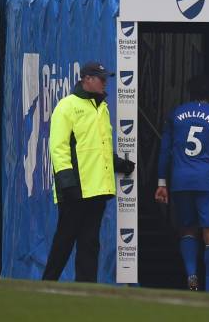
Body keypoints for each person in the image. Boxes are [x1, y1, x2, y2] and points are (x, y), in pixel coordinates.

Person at [43, 61, 135, 282]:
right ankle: (47, 282)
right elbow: (59, 147)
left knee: (90, 242)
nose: (105, 83)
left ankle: (87, 289)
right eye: (101, 78)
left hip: (97, 189)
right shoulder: (67, 106)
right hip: (76, 188)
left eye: (105, 78)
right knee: (65, 240)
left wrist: (119, 164)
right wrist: (68, 184)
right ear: (86, 79)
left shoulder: (101, 107)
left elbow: (99, 148)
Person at [155, 75, 209, 292]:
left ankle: (192, 278)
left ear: (189, 92)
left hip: (181, 180)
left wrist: (161, 182)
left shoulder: (175, 115)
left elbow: (165, 152)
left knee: (187, 230)